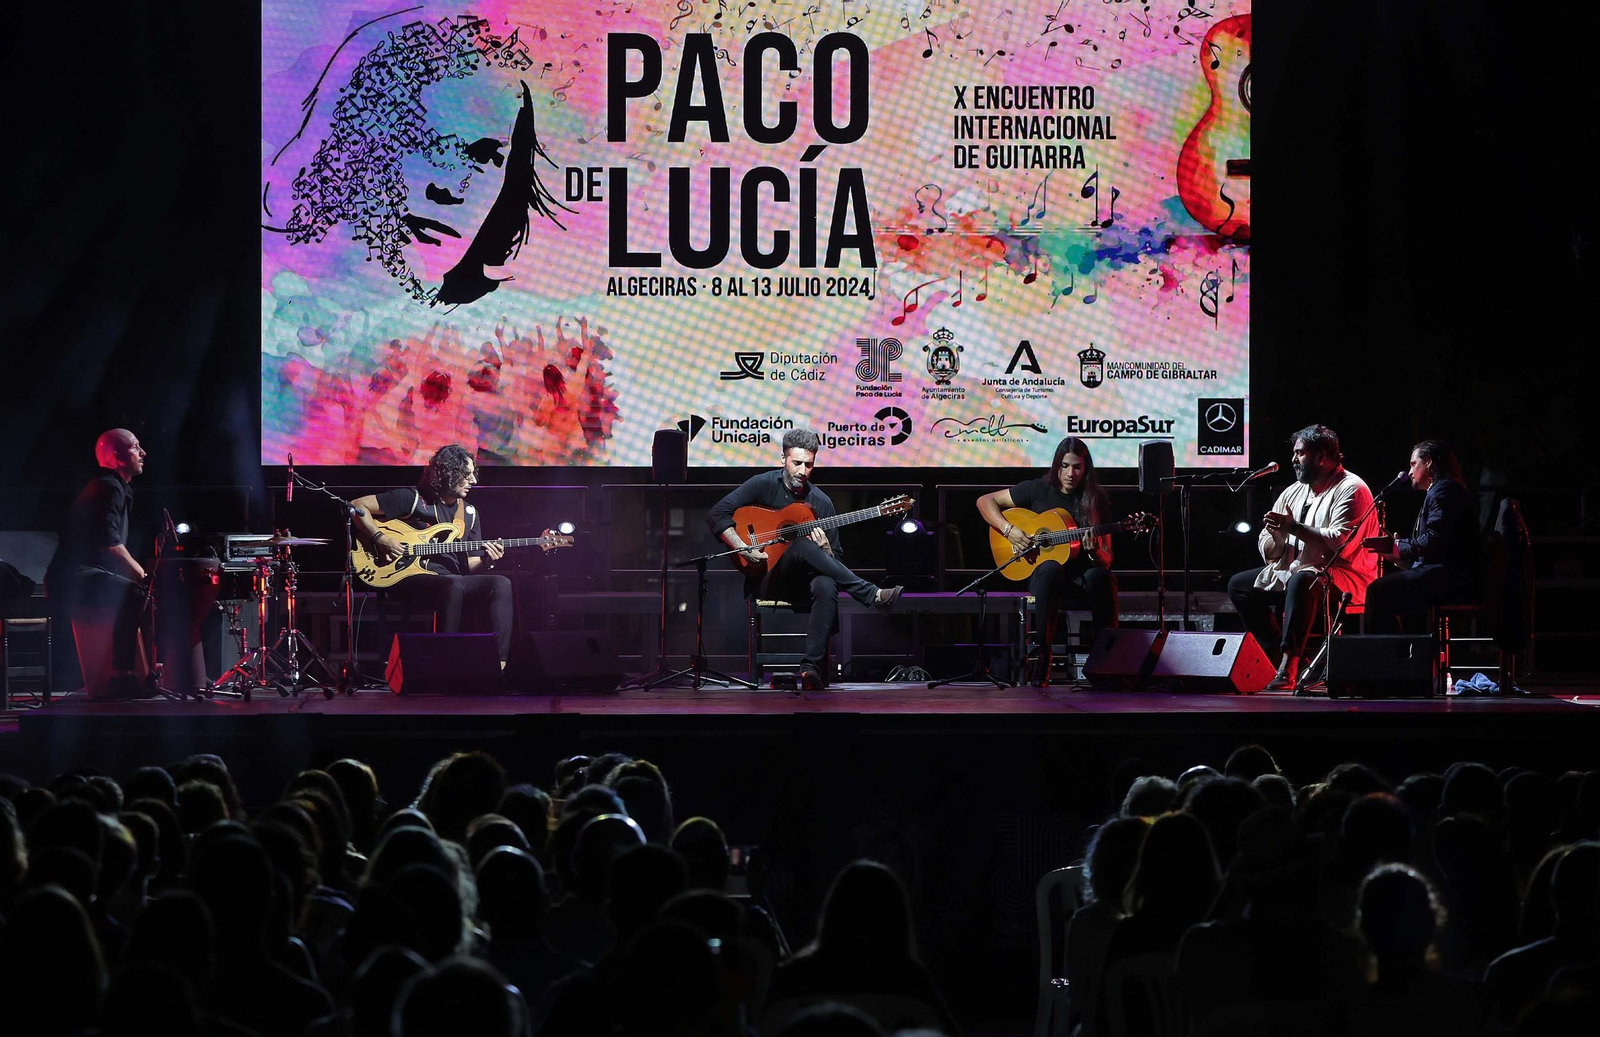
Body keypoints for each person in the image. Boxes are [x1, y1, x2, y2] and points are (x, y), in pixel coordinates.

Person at [707, 430, 902, 690]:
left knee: (826, 584)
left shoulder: (821, 503)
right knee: (800, 545)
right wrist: (743, 548)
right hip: (768, 576)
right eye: (796, 463)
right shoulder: (761, 484)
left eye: (808, 465)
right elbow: (717, 513)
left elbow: (835, 561)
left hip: (804, 583)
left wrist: (825, 550)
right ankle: (870, 595)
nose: (802, 470)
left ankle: (810, 669)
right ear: (783, 459)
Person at [1227, 424, 1379, 690]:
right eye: (1295, 453)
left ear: (1321, 455)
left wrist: (1293, 528)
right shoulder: (1295, 490)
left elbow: (1343, 542)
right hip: (1296, 568)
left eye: (1300, 453)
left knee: (1302, 580)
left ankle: (1289, 666)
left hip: (1341, 574)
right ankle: (1274, 655)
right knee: (1240, 585)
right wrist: (1276, 537)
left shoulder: (1352, 488)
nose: (1294, 459)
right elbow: (1267, 538)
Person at [350, 445, 514, 668]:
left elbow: (473, 566)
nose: (473, 481)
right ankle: (445, 664)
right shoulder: (413, 499)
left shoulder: (469, 513)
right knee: (453, 585)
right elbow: (356, 506)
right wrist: (380, 538)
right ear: (447, 473)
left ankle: (499, 664)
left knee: (501, 583)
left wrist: (488, 561)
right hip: (405, 578)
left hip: (450, 579)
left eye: (474, 474)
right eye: (466, 475)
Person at [976, 436, 1117, 685]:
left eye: (1077, 467)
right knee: (1050, 567)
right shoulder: (1037, 489)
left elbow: (1106, 558)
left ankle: (1103, 661)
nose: (1070, 473)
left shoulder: (1095, 500)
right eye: (1064, 466)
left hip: (1079, 580)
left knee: (1102, 576)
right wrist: (1009, 530)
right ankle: (1044, 657)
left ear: (1086, 469)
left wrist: (1094, 552)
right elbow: (985, 501)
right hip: (1044, 578)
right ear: (1056, 465)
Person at [44, 428, 149, 698]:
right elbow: (110, 543)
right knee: (135, 592)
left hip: (86, 574)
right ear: (117, 456)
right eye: (136, 447)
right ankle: (121, 677)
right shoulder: (108, 486)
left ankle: (142, 670)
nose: (143, 453)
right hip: (72, 578)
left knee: (138, 594)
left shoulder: (118, 487)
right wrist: (139, 573)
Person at [1364, 440, 1482, 634]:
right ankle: (1395, 656)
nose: (1409, 472)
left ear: (1428, 462)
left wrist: (1398, 546)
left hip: (1450, 578)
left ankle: (1387, 660)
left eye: (1413, 464)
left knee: (1378, 592)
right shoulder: (1441, 491)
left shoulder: (1444, 490)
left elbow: (1435, 538)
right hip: (1446, 574)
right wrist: (1397, 554)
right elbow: (1436, 546)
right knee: (1382, 592)